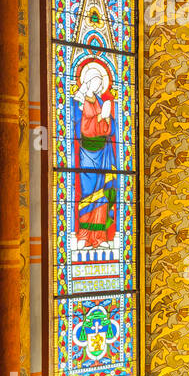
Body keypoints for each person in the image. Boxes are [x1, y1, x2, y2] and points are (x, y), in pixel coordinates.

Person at [71, 59, 118, 248]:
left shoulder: (100, 100)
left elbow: (111, 128)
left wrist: (106, 117)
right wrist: (100, 117)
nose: (98, 86)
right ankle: (83, 235)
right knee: (88, 192)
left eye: (101, 83)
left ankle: (99, 236)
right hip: (87, 154)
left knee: (103, 194)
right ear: (88, 82)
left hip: (104, 152)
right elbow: (83, 127)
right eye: (96, 82)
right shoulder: (79, 102)